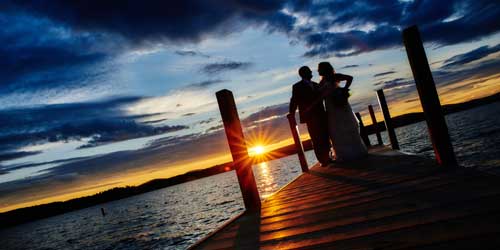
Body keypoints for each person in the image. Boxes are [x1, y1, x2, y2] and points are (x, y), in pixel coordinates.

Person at [317, 62, 367, 162]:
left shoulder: (335, 76)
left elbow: (350, 78)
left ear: (324, 69)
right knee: (336, 129)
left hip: (340, 104)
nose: (318, 71)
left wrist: (344, 89)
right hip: (330, 107)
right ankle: (343, 153)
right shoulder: (321, 82)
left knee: (347, 125)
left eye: (319, 69)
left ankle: (355, 151)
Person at [289, 66, 331, 166]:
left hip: (321, 113)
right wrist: (292, 113)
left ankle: (328, 156)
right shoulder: (297, 87)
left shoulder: (316, 84)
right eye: (309, 71)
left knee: (325, 135)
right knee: (316, 138)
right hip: (310, 116)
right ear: (304, 73)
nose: (311, 72)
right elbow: (294, 100)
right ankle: (322, 160)